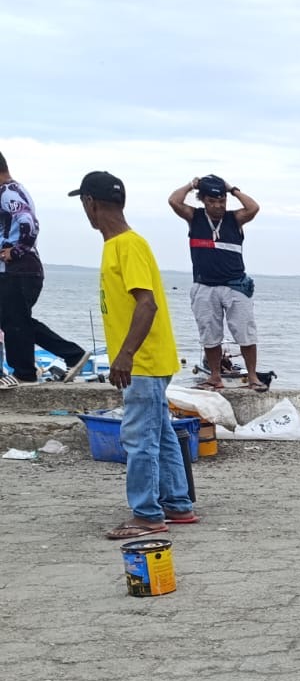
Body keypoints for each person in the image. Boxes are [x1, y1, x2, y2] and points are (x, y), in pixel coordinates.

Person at [71, 171, 197, 539]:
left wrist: (125, 355)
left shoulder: (128, 245)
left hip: (143, 361)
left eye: (85, 204)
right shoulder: (118, 245)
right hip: (149, 359)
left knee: (139, 438)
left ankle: (146, 514)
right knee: (160, 433)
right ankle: (177, 504)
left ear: (90, 204)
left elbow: (147, 304)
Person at [167, 174, 265, 392]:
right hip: (204, 285)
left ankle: (253, 377)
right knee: (210, 335)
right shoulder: (194, 217)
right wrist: (191, 185)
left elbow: (254, 207)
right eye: (212, 201)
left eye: (222, 201)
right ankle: (214, 377)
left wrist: (232, 189)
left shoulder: (235, 218)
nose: (218, 205)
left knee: (245, 332)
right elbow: (174, 201)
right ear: (203, 200)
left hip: (235, 285)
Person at [0, 151, 90, 388]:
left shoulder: (8, 193)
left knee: (15, 321)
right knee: (16, 320)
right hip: (20, 271)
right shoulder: (13, 191)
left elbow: (29, 223)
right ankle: (73, 354)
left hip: (18, 270)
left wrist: (16, 251)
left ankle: (24, 374)